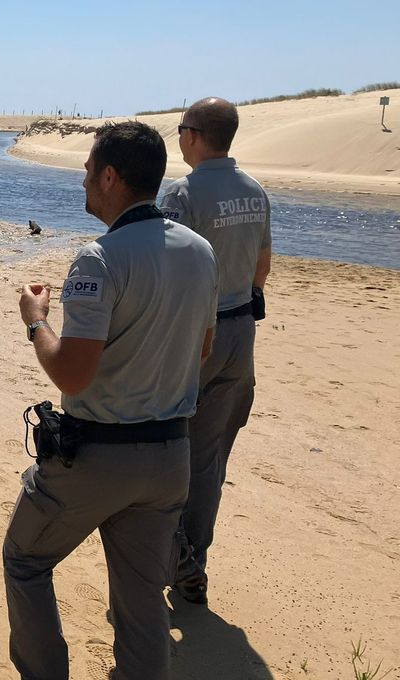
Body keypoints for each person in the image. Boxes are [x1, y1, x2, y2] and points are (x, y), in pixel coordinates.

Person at [5, 121, 217, 680]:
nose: (82, 183)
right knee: (142, 602)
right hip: (171, 455)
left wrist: (36, 323)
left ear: (110, 176)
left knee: (25, 561)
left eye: (87, 172)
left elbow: (71, 374)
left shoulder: (98, 258)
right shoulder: (200, 252)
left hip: (99, 455)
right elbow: (203, 349)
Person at [159, 97, 272, 606]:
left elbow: (167, 267)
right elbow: (262, 268)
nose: (179, 137)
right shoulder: (255, 191)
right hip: (241, 334)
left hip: (197, 337)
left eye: (181, 128)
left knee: (167, 448)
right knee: (209, 460)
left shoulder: (184, 193)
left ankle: (175, 552)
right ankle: (195, 559)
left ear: (195, 135)